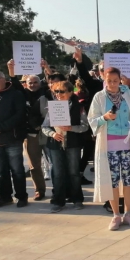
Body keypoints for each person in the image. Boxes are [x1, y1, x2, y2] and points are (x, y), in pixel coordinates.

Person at [88, 67, 130, 230]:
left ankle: (128, 213)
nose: (112, 84)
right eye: (109, 80)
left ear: (120, 79)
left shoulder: (129, 95)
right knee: (112, 181)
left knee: (128, 181)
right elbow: (91, 120)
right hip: (108, 147)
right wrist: (104, 117)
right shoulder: (99, 97)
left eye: (115, 80)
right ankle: (116, 215)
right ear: (104, 79)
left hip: (127, 145)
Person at [7, 60, 52, 199]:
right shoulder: (22, 93)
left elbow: (51, 80)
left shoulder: (47, 93)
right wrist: (11, 69)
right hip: (31, 135)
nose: (32, 85)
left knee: (56, 164)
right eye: (30, 82)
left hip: (50, 133)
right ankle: (40, 190)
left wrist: (46, 67)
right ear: (25, 84)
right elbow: (14, 81)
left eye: (35, 82)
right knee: (34, 165)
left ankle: (61, 190)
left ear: (40, 83)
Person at [41, 80, 89, 212]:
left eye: (61, 91)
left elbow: (85, 126)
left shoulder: (78, 107)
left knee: (74, 173)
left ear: (70, 92)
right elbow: (44, 126)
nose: (58, 94)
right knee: (58, 173)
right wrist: (52, 134)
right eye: (56, 91)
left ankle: (77, 199)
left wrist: (71, 128)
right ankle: (58, 201)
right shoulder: (53, 107)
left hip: (73, 144)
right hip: (55, 144)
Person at [0, 71, 28, 208]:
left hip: (12, 139)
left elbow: (20, 115)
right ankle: (5, 197)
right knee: (1, 172)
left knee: (17, 170)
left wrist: (0, 127)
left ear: (3, 79)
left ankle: (21, 196)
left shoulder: (15, 94)